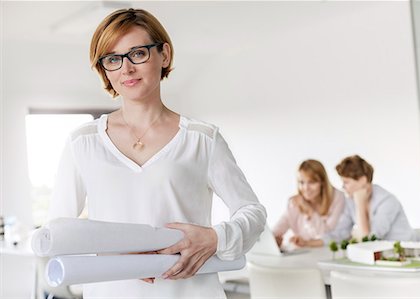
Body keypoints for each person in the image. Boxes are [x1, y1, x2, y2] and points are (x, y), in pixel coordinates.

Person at [47, 8, 266, 299]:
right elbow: (57, 233)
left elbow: (253, 213)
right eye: (113, 59)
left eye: (138, 53)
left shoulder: (202, 139)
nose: (126, 68)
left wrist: (215, 238)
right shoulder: (82, 143)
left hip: (191, 291)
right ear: (105, 69)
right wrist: (115, 251)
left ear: (164, 54)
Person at [323, 155, 416, 244]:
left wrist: (360, 205)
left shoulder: (387, 201)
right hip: (382, 255)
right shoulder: (351, 201)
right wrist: (313, 242)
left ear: (363, 180)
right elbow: (341, 233)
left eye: (346, 182)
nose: (343, 187)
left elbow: (370, 240)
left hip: (408, 252)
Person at [272, 159, 345, 248]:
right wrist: (273, 240)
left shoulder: (337, 197)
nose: (306, 188)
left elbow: (326, 235)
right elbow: (278, 228)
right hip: (303, 254)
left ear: (322, 182)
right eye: (301, 182)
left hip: (328, 252)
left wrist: (309, 210)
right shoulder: (295, 202)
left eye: (312, 182)